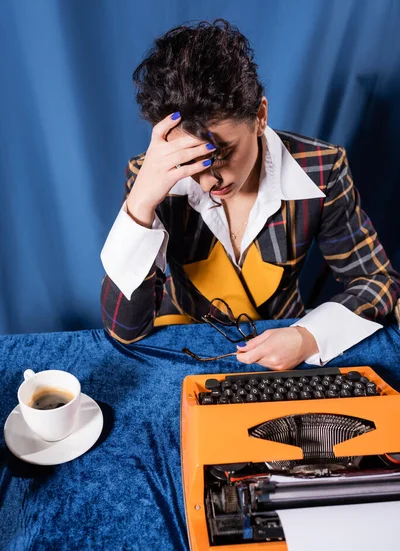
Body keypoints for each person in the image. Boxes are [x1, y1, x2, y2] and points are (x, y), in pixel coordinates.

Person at [100, 19, 400, 370]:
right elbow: (124, 329)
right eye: (192, 161)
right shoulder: (150, 178)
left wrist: (308, 337)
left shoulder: (322, 170)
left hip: (284, 344)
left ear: (260, 115)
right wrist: (140, 204)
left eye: (223, 154)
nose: (210, 180)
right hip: (181, 345)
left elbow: (377, 281)